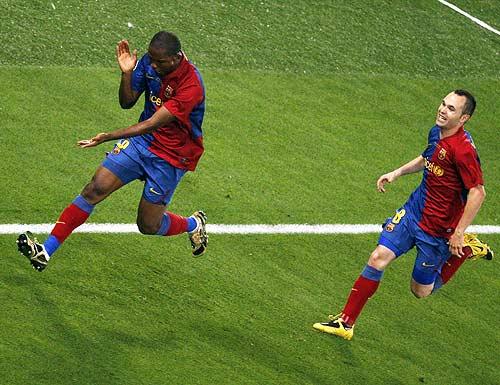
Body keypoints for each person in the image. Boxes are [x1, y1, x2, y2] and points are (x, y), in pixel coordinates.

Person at [16, 31, 208, 271]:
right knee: (95, 188)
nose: (154, 65)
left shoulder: (191, 85)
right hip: (143, 143)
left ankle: (192, 224)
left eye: (160, 62)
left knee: (148, 225)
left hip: (171, 156)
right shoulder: (150, 63)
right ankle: (46, 251)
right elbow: (126, 101)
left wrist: (108, 136)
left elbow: (152, 123)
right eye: (152, 59)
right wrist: (127, 73)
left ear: (177, 57)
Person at [313, 89, 493, 340]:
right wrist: (396, 173)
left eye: (451, 109)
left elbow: (478, 192)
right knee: (378, 257)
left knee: (420, 291)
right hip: (413, 214)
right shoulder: (436, 132)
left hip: (439, 231)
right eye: (443, 104)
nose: (442, 110)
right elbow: (427, 158)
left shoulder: (462, 150)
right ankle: (346, 323)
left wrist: (459, 232)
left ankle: (466, 250)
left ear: (464, 119)